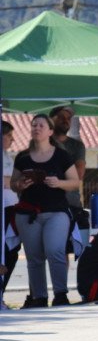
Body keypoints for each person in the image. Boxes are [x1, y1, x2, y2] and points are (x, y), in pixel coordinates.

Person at [10, 114, 82, 307]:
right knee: (33, 257)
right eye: (33, 125)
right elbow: (13, 184)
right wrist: (21, 184)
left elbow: (75, 183)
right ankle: (39, 297)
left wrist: (59, 183)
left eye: (41, 125)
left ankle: (60, 294)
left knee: (55, 251)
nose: (36, 128)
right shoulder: (23, 157)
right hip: (28, 213)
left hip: (56, 212)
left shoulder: (61, 155)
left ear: (50, 131)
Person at [49, 105, 86, 210]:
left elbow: (78, 174)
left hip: (72, 205)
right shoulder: (42, 143)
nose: (66, 120)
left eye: (68, 118)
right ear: (51, 120)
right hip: (46, 205)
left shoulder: (77, 145)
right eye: (61, 117)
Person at [2, 120, 20, 305]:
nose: (12, 140)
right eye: (8, 135)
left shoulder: (8, 157)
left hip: (11, 209)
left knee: (11, 251)